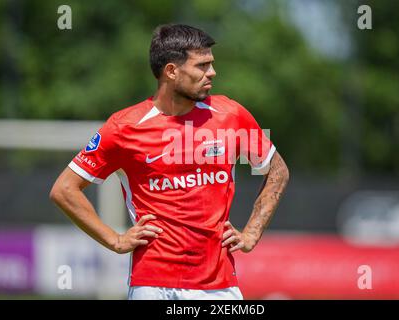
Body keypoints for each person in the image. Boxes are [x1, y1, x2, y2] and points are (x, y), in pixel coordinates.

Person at [50, 23, 289, 300]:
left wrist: (251, 234)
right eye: (202, 66)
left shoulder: (230, 115)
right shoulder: (124, 126)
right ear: (172, 71)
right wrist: (115, 240)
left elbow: (277, 171)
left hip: (218, 287)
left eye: (211, 64)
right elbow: (65, 189)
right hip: (151, 285)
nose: (212, 73)